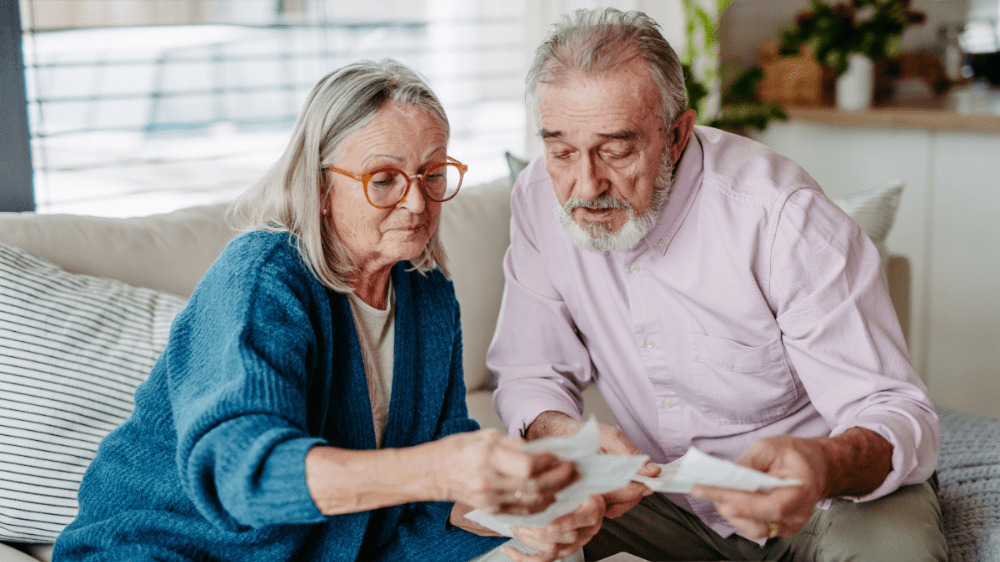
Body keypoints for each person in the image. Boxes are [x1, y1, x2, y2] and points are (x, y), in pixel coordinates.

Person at [54, 59, 600, 562]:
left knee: (550, 553)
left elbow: (440, 490)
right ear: (319, 188)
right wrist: (436, 470)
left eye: (433, 174)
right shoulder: (263, 279)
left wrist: (524, 510)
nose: (417, 203)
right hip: (181, 549)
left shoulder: (427, 292)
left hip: (346, 545)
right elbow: (246, 477)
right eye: (384, 180)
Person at [487, 8, 947, 561]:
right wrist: (566, 436)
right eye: (562, 152)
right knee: (483, 534)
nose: (586, 185)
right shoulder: (539, 199)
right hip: (661, 497)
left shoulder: (782, 217)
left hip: (825, 497)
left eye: (616, 150)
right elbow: (530, 371)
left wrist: (822, 465)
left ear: (677, 135)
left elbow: (894, 410)